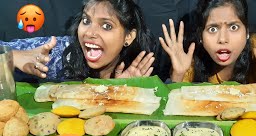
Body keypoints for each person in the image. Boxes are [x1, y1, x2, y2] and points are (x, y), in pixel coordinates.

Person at [159, 0, 256, 85]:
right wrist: (177, 75)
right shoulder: (189, 61)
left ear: (247, 32)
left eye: (233, 27)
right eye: (213, 29)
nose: (223, 39)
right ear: (201, 36)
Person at [10, 0, 155, 81]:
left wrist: (118, 93)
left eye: (106, 26)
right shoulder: (55, 52)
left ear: (128, 36)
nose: (90, 33)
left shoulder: (138, 71)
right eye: (86, 21)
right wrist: (11, 57)